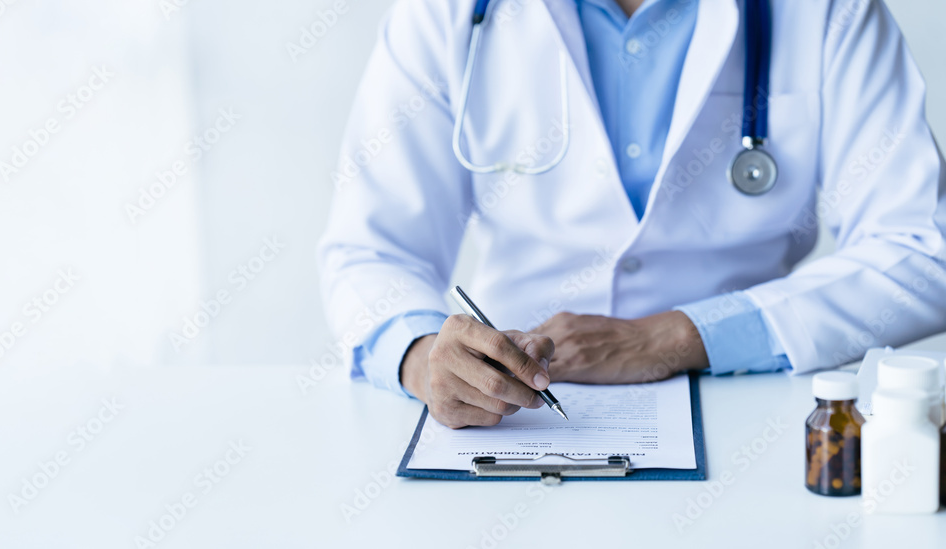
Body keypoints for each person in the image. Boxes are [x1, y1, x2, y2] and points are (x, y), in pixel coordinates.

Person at [317, 0, 946, 429]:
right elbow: (371, 250)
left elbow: (922, 246)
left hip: (750, 402)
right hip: (519, 414)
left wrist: (678, 337)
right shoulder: (449, 14)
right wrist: (423, 354)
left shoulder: (826, 11)